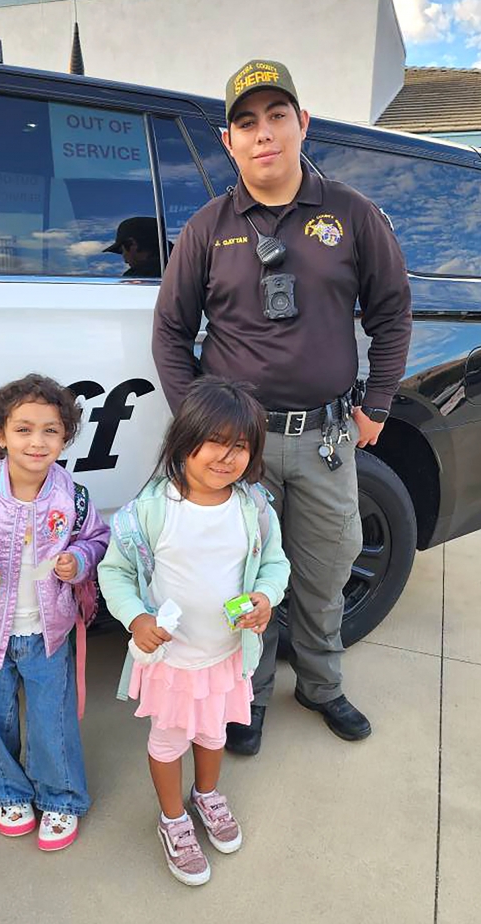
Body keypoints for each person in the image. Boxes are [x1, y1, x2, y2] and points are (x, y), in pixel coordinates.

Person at [152, 60, 412, 755]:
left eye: (276, 116)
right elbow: (171, 332)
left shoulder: (352, 215)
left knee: (326, 573)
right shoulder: (208, 228)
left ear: (302, 124)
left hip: (327, 437)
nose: (262, 133)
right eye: (246, 122)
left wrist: (377, 403)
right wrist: (201, 428)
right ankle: (252, 695)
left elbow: (392, 312)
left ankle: (322, 685)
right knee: (245, 579)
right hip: (241, 450)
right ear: (229, 142)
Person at [98, 377, 290, 886]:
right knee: (168, 741)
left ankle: (206, 795)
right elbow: (114, 572)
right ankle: (172, 818)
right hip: (173, 662)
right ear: (185, 441)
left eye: (241, 446)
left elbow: (275, 563)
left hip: (225, 655)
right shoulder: (151, 511)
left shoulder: (254, 508)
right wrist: (136, 618)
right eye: (215, 442)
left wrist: (265, 597)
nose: (227, 457)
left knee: (212, 732)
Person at [0, 373, 109, 850]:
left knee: (53, 720)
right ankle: (5, 790)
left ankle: (60, 796)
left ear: (66, 437)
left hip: (48, 633)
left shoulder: (72, 497)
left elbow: (96, 538)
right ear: (0, 433)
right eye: (23, 429)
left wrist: (79, 559)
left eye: (51, 430)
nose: (37, 442)